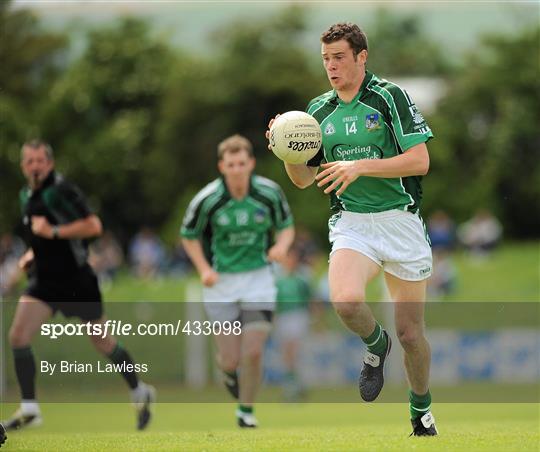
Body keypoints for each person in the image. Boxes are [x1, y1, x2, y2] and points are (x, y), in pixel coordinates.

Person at [267, 23, 438, 436]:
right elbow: (304, 180)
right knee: (344, 301)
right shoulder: (317, 112)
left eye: (339, 57)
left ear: (362, 57)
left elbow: (419, 161)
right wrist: (286, 148)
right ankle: (376, 346)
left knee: (412, 333)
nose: (331, 66)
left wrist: (360, 165)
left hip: (401, 221)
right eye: (325, 59)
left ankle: (421, 410)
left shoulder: (389, 97)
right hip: (352, 224)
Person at [3, 140, 155, 432]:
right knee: (18, 335)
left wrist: (55, 231)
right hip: (44, 282)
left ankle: (139, 390)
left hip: (77, 280)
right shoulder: (26, 195)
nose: (35, 166)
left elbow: (93, 226)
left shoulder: (62, 190)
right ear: (23, 166)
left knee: (102, 343)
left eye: (40, 160)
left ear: (50, 163)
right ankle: (30, 408)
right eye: (29, 161)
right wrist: (31, 254)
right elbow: (40, 236)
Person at [181, 134, 294, 428]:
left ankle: (246, 411)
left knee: (254, 351)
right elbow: (188, 236)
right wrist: (204, 269)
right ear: (222, 166)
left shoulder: (269, 194)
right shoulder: (208, 199)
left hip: (259, 279)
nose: (237, 169)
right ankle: (229, 372)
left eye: (242, 163)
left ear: (251, 164)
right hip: (222, 284)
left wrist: (281, 247)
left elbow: (286, 227)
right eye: (231, 164)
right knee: (231, 359)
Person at [273, 246, 312, 401]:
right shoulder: (278, 280)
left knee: (294, 352)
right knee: (286, 355)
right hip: (283, 317)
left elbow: (310, 299)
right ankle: (293, 385)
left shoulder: (302, 278)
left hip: (298, 316)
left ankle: (295, 386)